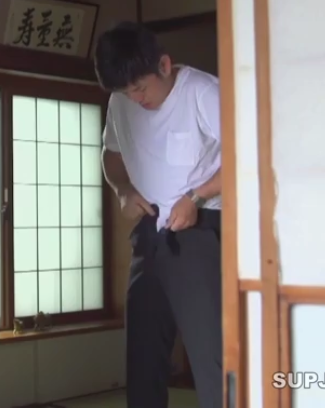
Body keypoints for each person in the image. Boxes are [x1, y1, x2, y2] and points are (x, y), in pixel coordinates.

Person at [95, 22, 222, 408]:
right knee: (143, 356)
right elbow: (111, 155)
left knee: (210, 354)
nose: (136, 99)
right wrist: (123, 190)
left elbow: (248, 153)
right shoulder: (121, 102)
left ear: (164, 65)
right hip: (150, 232)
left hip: (201, 229)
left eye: (140, 88)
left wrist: (197, 197)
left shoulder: (201, 91)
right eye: (126, 92)